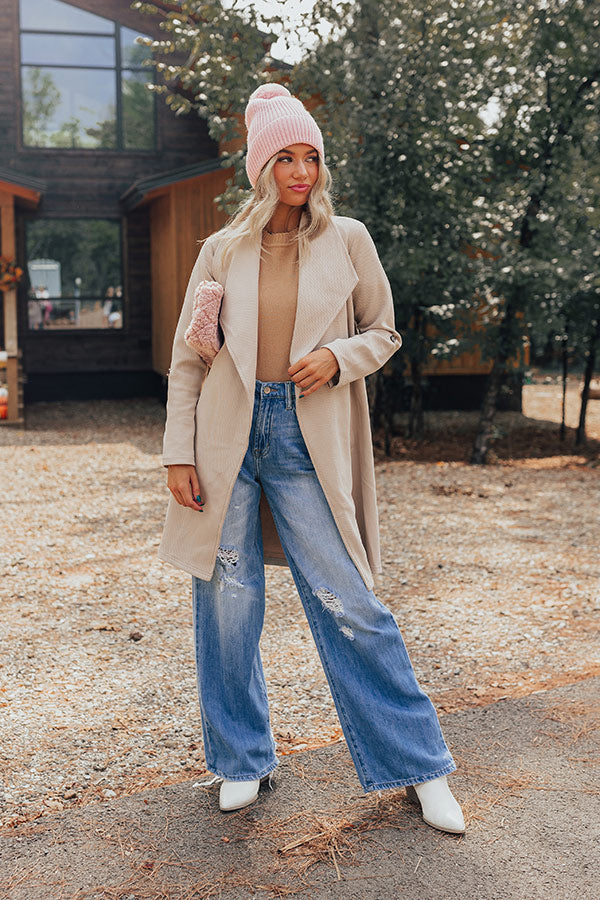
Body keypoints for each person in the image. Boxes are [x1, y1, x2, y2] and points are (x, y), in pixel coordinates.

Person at [159, 84, 465, 834]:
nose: (302, 172)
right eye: (286, 158)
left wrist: (337, 357)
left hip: (305, 440)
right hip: (225, 441)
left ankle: (419, 766)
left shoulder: (348, 239)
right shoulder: (221, 250)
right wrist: (177, 453)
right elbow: (190, 360)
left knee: (350, 602)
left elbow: (384, 332)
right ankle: (241, 759)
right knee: (227, 606)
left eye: (312, 157)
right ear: (261, 168)